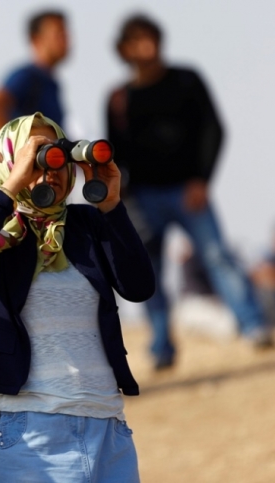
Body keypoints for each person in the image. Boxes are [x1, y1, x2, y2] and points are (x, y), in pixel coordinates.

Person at [0, 113, 154, 482]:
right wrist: (9, 190)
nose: (51, 167)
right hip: (28, 429)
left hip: (105, 422)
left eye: (58, 156)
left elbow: (138, 287)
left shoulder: (86, 224)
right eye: (37, 155)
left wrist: (112, 205)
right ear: (10, 161)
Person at [106, 14, 272, 369]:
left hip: (188, 191)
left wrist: (202, 179)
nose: (146, 46)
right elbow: (114, 157)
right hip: (143, 198)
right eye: (137, 40)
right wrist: (123, 201)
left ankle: (253, 326)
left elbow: (213, 128)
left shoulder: (185, 80)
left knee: (216, 256)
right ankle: (162, 347)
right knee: (148, 272)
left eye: (150, 37)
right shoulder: (119, 98)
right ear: (125, 49)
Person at [0, 10, 69, 171]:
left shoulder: (50, 82)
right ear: (35, 39)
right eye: (58, 34)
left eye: (66, 34)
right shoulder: (27, 77)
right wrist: (17, 152)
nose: (66, 40)